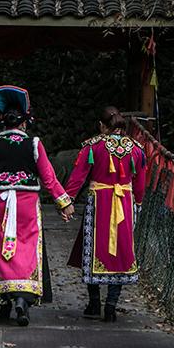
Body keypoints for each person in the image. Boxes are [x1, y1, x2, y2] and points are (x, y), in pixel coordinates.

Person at [0, 85, 75, 326]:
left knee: (1, 247)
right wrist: (64, 203)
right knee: (26, 246)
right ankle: (22, 300)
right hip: (27, 202)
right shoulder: (35, 144)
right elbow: (49, 177)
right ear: (24, 123)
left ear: (3, 122)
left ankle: (7, 299)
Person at [64, 106, 147, 322]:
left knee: (92, 247)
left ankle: (93, 304)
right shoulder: (137, 149)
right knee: (120, 250)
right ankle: (111, 307)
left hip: (99, 203)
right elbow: (139, 184)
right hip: (124, 204)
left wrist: (66, 200)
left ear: (102, 126)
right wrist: (137, 202)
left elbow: (77, 177)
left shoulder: (93, 146)